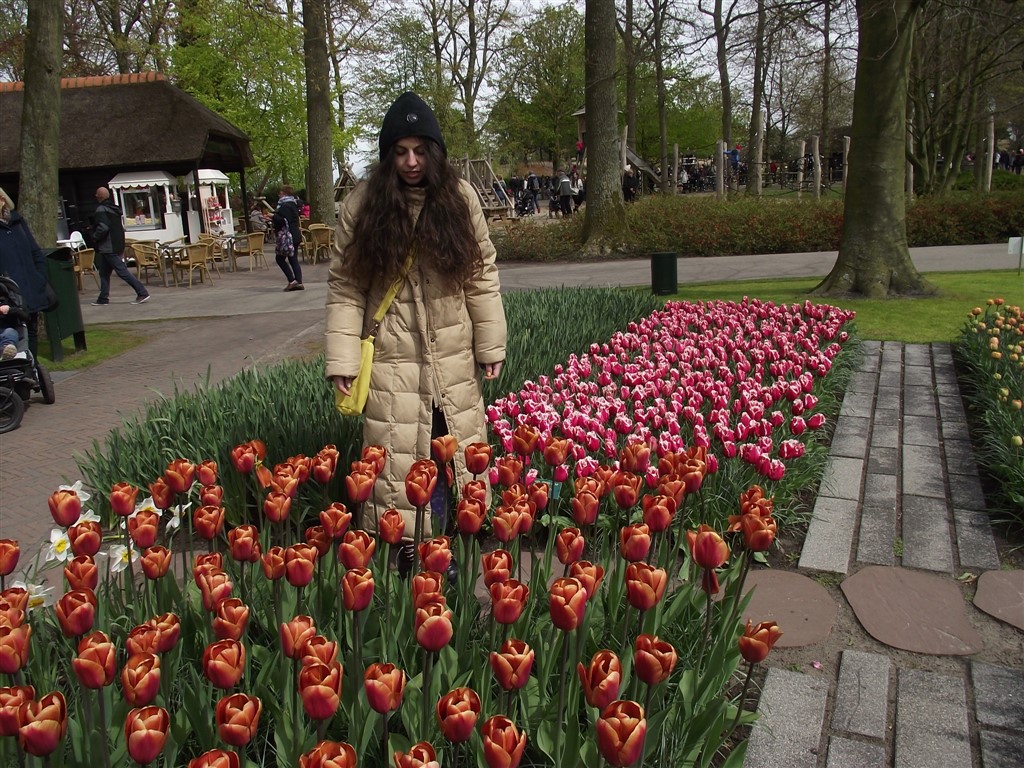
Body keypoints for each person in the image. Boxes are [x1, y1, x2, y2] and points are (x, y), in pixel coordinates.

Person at [325, 91, 507, 542]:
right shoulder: (362, 206)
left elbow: (481, 275)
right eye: (401, 152)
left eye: (420, 151)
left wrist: (490, 344)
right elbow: (346, 286)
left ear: (435, 153)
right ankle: (406, 561)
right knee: (399, 465)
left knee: (455, 462)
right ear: (388, 156)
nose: (411, 162)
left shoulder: (460, 199)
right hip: (392, 360)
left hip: (452, 358)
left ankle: (451, 560)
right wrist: (343, 359)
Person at [0, 187, 49, 356]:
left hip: (30, 289)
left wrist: (39, 277)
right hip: (6, 293)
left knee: (31, 332)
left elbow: (35, 252)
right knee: (10, 333)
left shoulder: (17, 222)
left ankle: (31, 372)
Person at [91, 186, 150, 305]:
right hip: (117, 244)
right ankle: (103, 298)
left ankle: (142, 292)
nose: (95, 196)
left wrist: (94, 236)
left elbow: (103, 227)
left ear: (100, 196)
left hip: (108, 246)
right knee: (104, 273)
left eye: (97, 194)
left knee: (122, 271)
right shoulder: (114, 209)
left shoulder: (101, 210)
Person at [273, 185, 304, 291]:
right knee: (293, 258)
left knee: (280, 258)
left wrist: (272, 217)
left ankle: (292, 280)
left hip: (288, 237)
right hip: (295, 235)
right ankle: (298, 281)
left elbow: (283, 221)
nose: (279, 194)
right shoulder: (294, 204)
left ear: (285, 194)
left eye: (280, 192)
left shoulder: (285, 206)